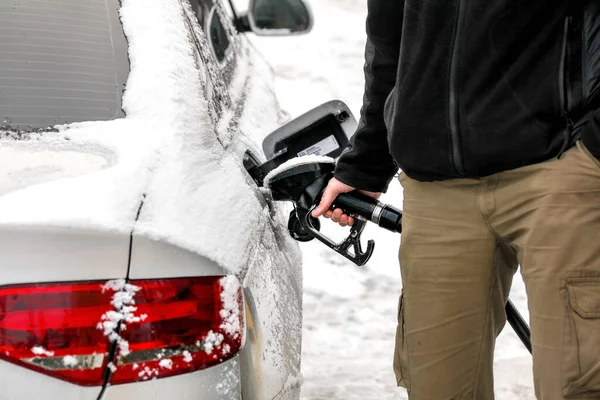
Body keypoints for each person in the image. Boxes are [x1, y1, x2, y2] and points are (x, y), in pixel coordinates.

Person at [311, 1, 600, 399]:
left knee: (578, 381)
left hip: (557, 168)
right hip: (437, 187)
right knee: (436, 386)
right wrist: (368, 162)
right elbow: (389, 39)